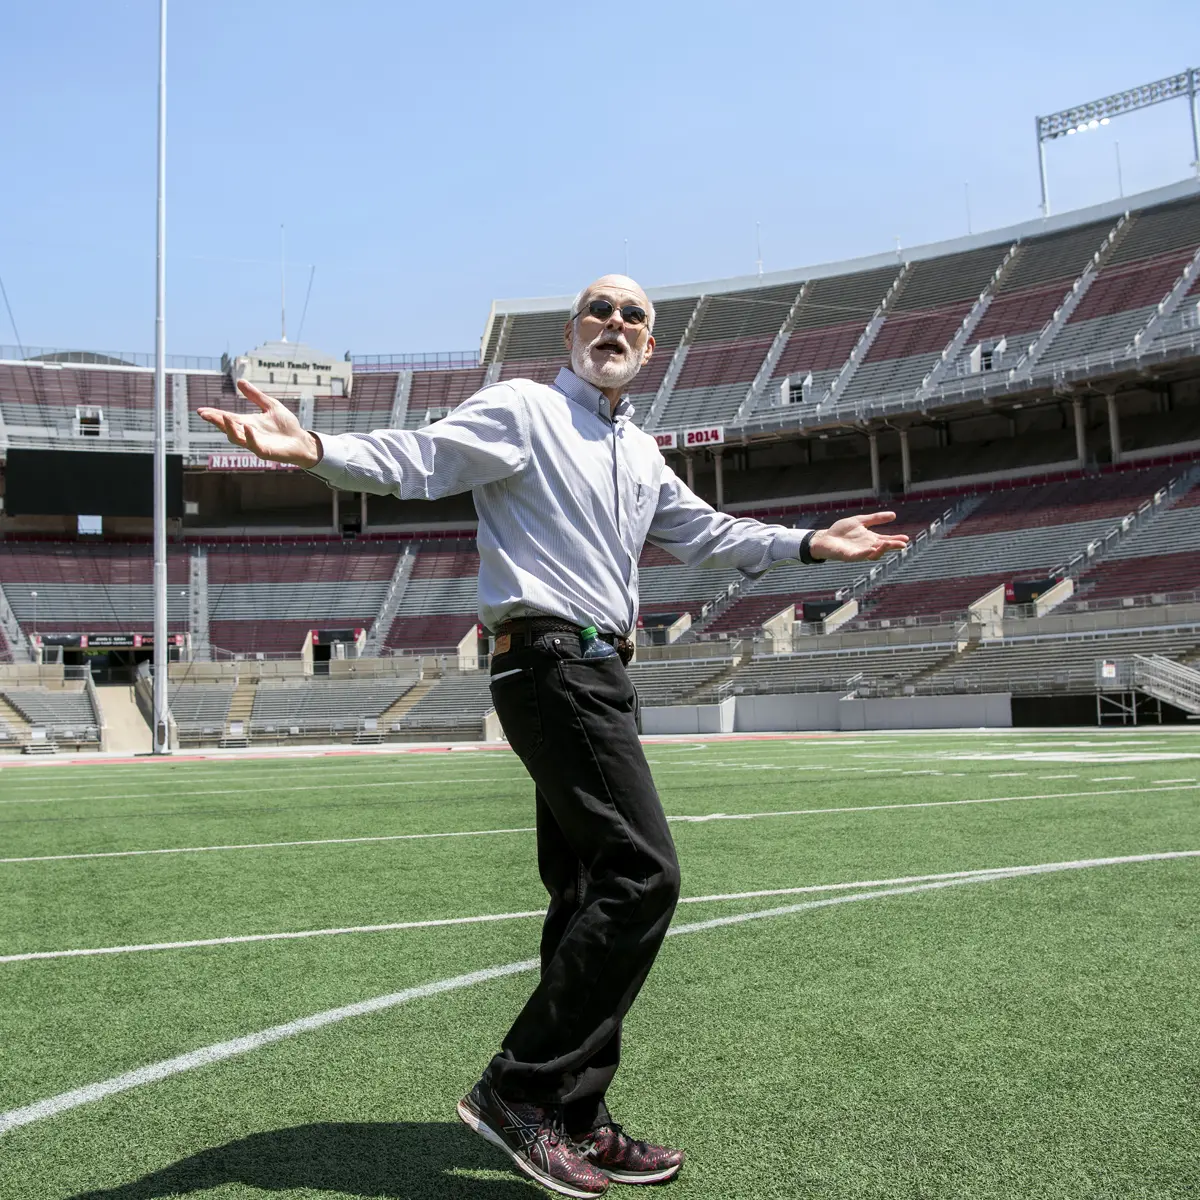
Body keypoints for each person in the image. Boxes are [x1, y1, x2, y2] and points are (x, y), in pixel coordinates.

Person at [199, 274, 909, 1198]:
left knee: (583, 892)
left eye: (632, 318)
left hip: (599, 669)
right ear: (572, 332)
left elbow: (707, 533)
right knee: (643, 873)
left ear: (649, 348)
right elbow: (420, 458)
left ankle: (575, 1114)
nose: (614, 323)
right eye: (598, 311)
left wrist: (812, 544)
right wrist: (316, 448)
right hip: (550, 661)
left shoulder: (641, 452)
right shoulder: (526, 409)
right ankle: (518, 1088)